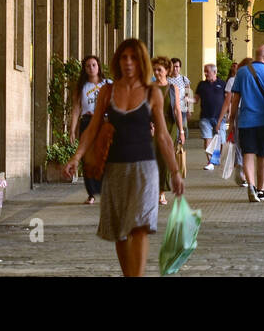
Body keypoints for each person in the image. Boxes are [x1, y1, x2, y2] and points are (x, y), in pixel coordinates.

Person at [63, 38, 183, 277]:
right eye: (123, 58)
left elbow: (162, 136)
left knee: (139, 227)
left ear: (141, 62)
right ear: (118, 61)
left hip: (145, 169)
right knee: (119, 230)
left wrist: (175, 171)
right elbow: (93, 128)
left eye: (133, 58)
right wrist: (76, 157)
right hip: (115, 168)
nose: (128, 63)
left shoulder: (152, 93)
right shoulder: (108, 91)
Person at [229, 45, 264, 202]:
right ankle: (261, 190)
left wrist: (231, 121)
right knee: (263, 157)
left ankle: (251, 185)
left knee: (248, 155)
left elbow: (235, 99)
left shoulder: (242, 72)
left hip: (246, 122)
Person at [70, 55, 111, 204]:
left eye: (94, 65)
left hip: (105, 123)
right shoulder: (82, 87)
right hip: (87, 122)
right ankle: (92, 193)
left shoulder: (108, 84)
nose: (91, 68)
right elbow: (75, 109)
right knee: (88, 159)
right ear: (84, 69)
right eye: (88, 66)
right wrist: (72, 130)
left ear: (99, 67)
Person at [153, 57, 184, 205]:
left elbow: (177, 110)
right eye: (155, 70)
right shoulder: (150, 87)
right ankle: (153, 189)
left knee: (165, 158)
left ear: (167, 71)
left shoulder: (173, 88)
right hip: (154, 126)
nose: (157, 72)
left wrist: (181, 131)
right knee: (154, 158)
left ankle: (161, 192)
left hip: (169, 126)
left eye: (159, 70)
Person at [219, 59, 249, 187]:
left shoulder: (233, 80)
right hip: (250, 113)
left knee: (238, 142)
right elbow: (229, 100)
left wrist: (229, 119)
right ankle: (244, 173)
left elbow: (230, 101)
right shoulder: (251, 79)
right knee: (247, 145)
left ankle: (241, 168)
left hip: (239, 113)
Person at [195, 63, 226, 170]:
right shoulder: (201, 85)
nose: (205, 73)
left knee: (221, 141)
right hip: (205, 117)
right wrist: (186, 100)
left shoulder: (222, 84)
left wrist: (230, 113)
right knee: (207, 139)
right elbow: (195, 99)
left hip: (220, 117)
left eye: (207, 71)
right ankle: (210, 162)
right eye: (205, 71)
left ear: (214, 72)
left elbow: (227, 100)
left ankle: (216, 159)